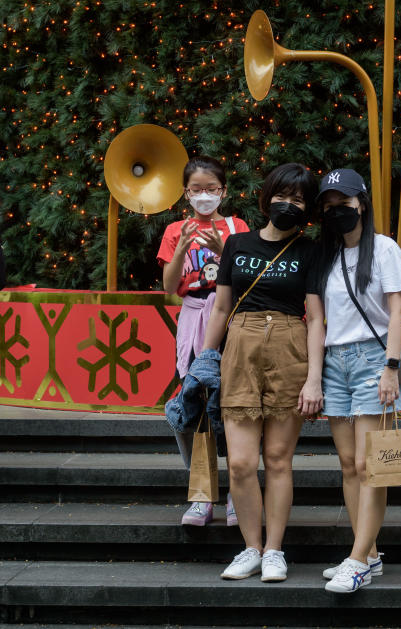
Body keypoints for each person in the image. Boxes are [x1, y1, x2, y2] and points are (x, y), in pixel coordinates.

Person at [199, 162, 325, 583]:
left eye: (298, 200)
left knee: (277, 460)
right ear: (267, 195)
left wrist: (313, 378)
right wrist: (204, 360)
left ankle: (274, 550)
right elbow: (220, 309)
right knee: (239, 463)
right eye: (282, 196)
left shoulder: (309, 250)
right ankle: (251, 547)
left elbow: (317, 317)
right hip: (241, 344)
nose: (287, 205)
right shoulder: (237, 244)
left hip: (291, 343)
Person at [314, 168, 401, 593]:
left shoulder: (384, 248)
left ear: (362, 204)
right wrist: (314, 376)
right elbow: (318, 320)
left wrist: (391, 367)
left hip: (373, 359)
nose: (338, 212)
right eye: (330, 206)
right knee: (349, 465)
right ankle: (367, 554)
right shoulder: (325, 254)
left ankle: (358, 558)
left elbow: (398, 311)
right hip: (335, 361)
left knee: (372, 465)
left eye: (345, 204)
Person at [157, 155, 248, 527]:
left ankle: (238, 495)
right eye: (197, 189)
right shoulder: (175, 229)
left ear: (223, 191)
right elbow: (168, 288)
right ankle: (201, 495)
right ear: (186, 193)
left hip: (230, 318)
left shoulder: (236, 226)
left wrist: (223, 248)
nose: (204, 195)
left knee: (235, 405)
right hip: (194, 317)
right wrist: (181, 249)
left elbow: (246, 276)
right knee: (193, 402)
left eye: (211, 189)